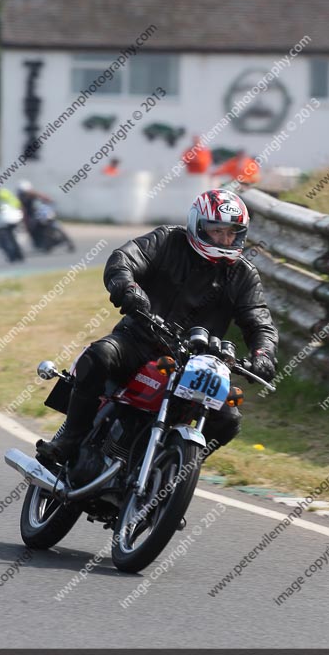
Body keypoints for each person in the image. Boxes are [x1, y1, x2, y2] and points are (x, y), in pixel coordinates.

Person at [37, 188, 278, 465]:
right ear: (198, 226)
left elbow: (260, 323)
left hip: (198, 362)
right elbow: (124, 259)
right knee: (99, 356)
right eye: (216, 231)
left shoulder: (244, 274)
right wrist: (128, 288)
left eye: (232, 232)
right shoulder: (167, 240)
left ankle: (175, 471)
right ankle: (69, 441)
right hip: (140, 339)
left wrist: (263, 355)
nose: (225, 239)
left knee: (228, 419)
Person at [17, 180, 75, 252]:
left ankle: (65, 241)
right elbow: (23, 210)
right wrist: (25, 221)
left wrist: (50, 201)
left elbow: (46, 198)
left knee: (56, 224)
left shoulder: (34, 195)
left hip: (42, 214)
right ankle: (42, 243)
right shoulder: (22, 198)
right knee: (32, 228)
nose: (27, 193)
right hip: (33, 217)